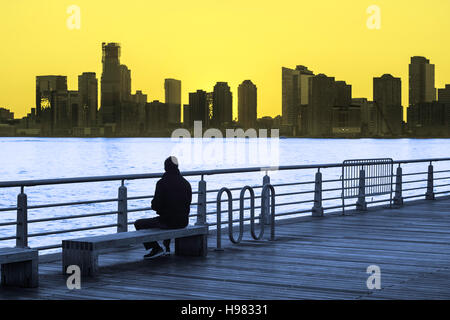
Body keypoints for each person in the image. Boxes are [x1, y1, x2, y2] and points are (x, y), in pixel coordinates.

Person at [134, 156, 192, 259]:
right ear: (177, 166)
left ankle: (156, 248)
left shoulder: (162, 183)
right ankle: (166, 247)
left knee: (139, 223)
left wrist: (158, 207)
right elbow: (188, 203)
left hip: (168, 221)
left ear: (165, 168)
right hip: (183, 221)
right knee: (169, 216)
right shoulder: (186, 183)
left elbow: (155, 205)